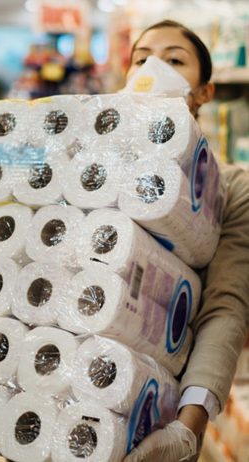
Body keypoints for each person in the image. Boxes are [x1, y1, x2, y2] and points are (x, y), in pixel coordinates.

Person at [122, 20, 249, 462]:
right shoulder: (91, 171)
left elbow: (225, 308)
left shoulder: (230, 189)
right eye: (142, 59)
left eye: (174, 60)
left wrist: (188, 428)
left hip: (157, 412)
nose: (153, 68)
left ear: (204, 93)